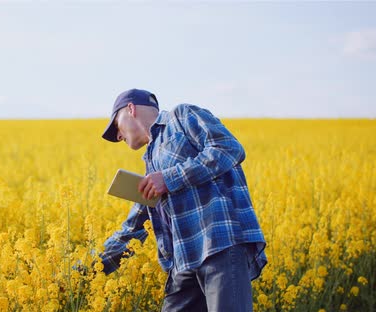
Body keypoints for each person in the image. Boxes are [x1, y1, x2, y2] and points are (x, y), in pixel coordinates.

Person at [99, 88, 267, 312]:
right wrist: (84, 271)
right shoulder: (151, 164)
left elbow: (228, 148)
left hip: (219, 245)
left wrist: (169, 179)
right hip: (183, 264)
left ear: (131, 109)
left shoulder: (181, 117)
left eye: (116, 127)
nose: (118, 136)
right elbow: (133, 229)